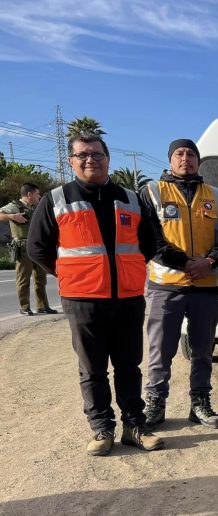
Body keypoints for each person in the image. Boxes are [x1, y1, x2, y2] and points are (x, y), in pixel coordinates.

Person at [27, 134, 169, 455]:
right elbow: (37, 247)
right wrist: (69, 274)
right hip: (82, 301)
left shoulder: (132, 199)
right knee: (92, 369)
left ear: (108, 158)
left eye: (97, 154)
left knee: (129, 366)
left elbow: (150, 243)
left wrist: (128, 271)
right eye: (83, 155)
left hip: (128, 299)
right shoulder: (56, 199)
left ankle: (135, 426)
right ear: (71, 161)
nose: (90, 159)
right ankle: (102, 428)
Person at [141, 139, 218, 429]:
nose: (186, 158)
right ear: (170, 160)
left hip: (205, 287)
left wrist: (208, 262)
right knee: (161, 349)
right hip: (165, 286)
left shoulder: (216, 195)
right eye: (179, 154)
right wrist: (184, 263)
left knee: (203, 350)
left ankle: (200, 403)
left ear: (198, 160)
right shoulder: (152, 192)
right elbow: (148, 238)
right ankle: (155, 403)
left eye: (191, 154)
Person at [0, 183, 56, 316]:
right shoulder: (14, 206)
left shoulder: (37, 206)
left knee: (41, 278)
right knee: (23, 279)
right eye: (37, 194)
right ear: (29, 194)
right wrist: (12, 217)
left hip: (37, 246)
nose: (39, 196)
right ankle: (24, 307)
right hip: (22, 246)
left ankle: (42, 306)